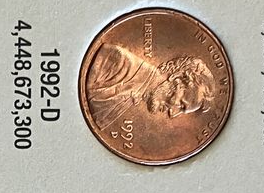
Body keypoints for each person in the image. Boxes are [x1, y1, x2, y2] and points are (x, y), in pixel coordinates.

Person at [85, 44, 214, 130]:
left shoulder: (133, 97)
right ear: (177, 78)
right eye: (181, 104)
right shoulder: (117, 60)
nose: (172, 114)